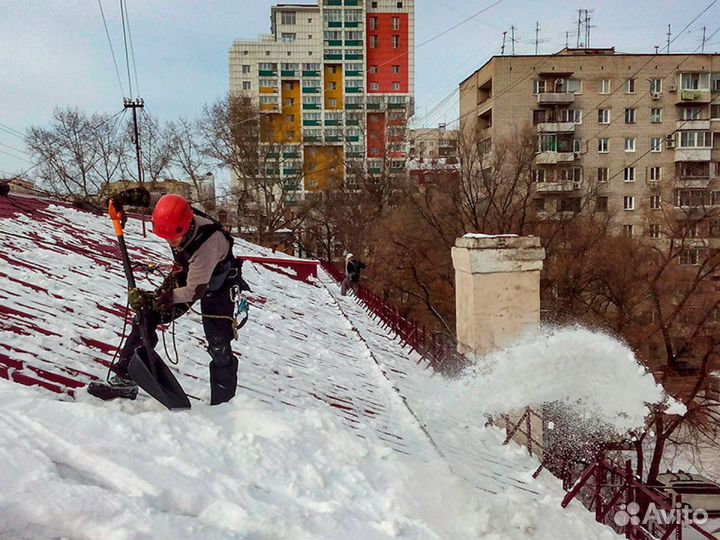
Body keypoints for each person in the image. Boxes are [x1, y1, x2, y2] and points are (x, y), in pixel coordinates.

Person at [107, 187, 243, 405]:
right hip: (188, 273)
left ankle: (223, 406)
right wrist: (123, 199)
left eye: (174, 238)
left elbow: (192, 291)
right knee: (146, 315)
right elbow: (155, 201)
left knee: (219, 345)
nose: (171, 242)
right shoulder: (177, 212)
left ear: (188, 226)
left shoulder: (207, 245)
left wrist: (153, 297)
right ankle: (124, 379)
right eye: (166, 237)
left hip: (218, 286)